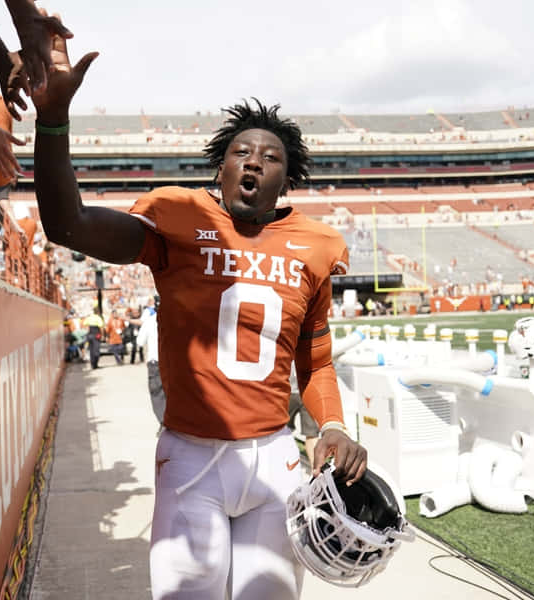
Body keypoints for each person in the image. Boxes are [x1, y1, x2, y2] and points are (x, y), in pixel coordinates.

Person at [31, 34, 367, 600]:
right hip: (192, 455)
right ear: (221, 167)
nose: (255, 161)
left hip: (275, 455)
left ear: (288, 178)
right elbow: (69, 224)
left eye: (271, 156)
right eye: (242, 153)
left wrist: (332, 424)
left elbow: (315, 358)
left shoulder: (314, 244)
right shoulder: (179, 217)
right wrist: (54, 121)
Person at [135, 301, 165, 426]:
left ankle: (163, 422)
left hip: (155, 363)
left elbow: (140, 342)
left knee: (157, 393)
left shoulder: (149, 321)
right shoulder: (175, 319)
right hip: (171, 362)